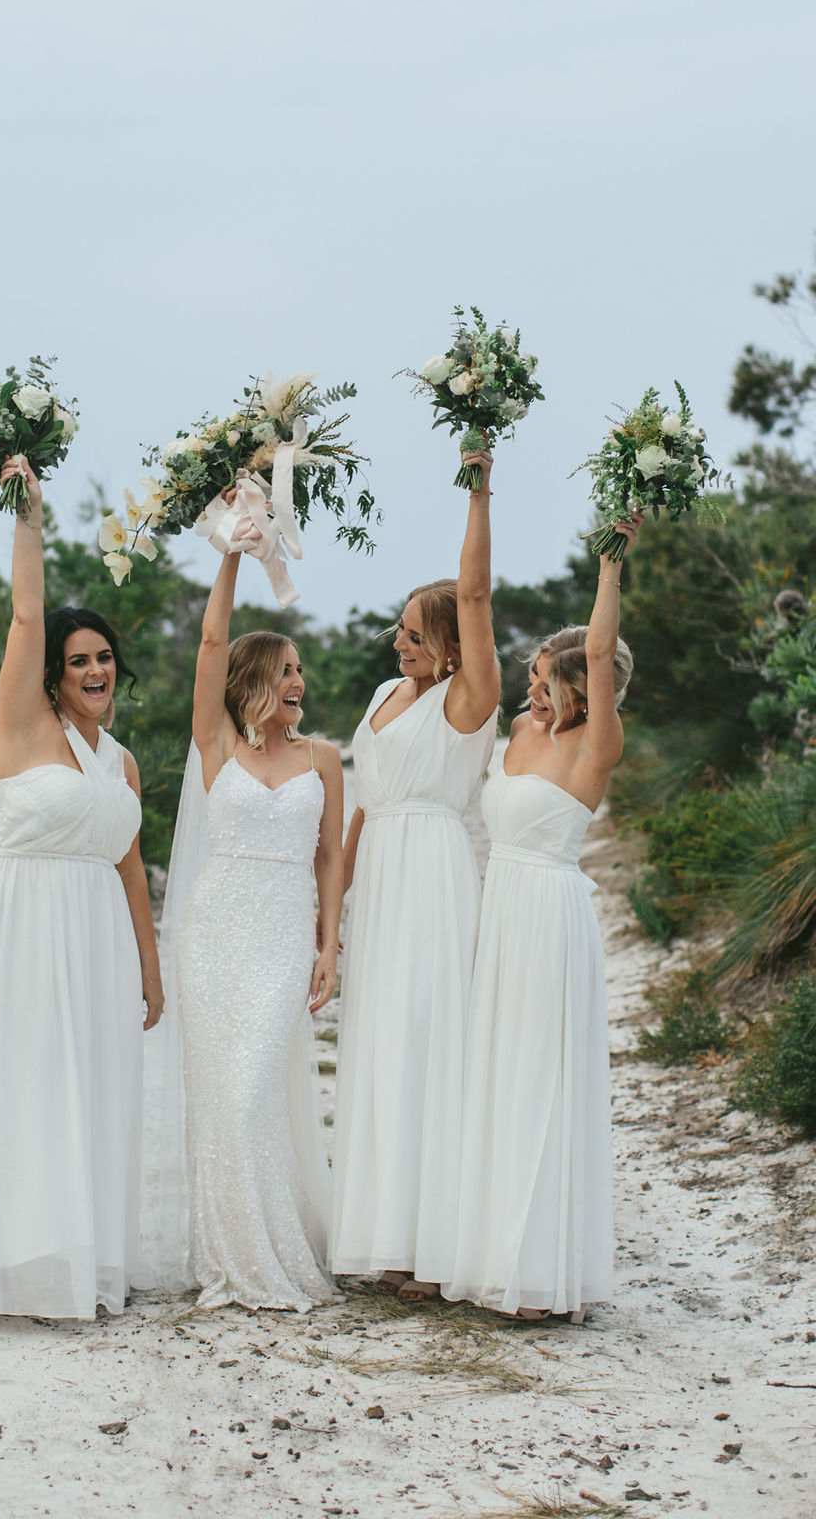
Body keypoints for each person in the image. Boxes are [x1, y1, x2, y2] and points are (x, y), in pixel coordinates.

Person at [0, 455, 163, 1319]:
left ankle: (75, 1261)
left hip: (98, 940)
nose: (97, 671)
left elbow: (130, 868)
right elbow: (24, 613)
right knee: (24, 1083)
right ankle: (5, 1263)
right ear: (54, 673)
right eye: (80, 660)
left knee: (91, 1092)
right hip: (23, 922)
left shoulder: (121, 761)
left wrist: (150, 971)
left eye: (106, 659)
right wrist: (29, 514)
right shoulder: (24, 727)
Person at [442, 502, 643, 1322]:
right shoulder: (518, 736)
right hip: (503, 914)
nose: (531, 691)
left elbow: (597, 646)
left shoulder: (597, 746)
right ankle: (495, 1255)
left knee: (545, 1082)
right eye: (530, 681)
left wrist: (609, 563)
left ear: (582, 690)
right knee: (498, 1074)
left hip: (554, 917)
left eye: (544, 681)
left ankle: (542, 1270)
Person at [328, 449, 500, 1301]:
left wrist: (477, 489)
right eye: (399, 630)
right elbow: (359, 806)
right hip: (382, 878)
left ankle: (434, 1247)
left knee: (429, 1045)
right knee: (380, 1047)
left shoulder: (467, 700)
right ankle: (384, 1235)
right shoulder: (376, 697)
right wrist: (336, 901)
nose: (399, 641)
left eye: (414, 632)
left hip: (434, 874)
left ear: (448, 641)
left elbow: (475, 592)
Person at [170, 548, 343, 1311]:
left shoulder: (325, 760)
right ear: (254, 682)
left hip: (279, 934)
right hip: (213, 934)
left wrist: (328, 945)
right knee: (224, 1097)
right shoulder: (218, 749)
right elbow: (210, 645)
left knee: (252, 1091)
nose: (299, 682)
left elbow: (331, 857)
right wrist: (234, 555)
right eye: (286, 670)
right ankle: (232, 1256)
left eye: (301, 670)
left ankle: (270, 1248)